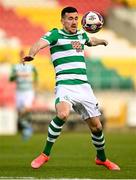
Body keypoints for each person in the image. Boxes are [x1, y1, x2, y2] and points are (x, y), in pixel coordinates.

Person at [22, 7, 120, 170]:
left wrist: (102, 41)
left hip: (83, 87)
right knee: (63, 114)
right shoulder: (55, 34)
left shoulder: (81, 34)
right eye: (70, 18)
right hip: (65, 85)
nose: (74, 21)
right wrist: (32, 54)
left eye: (76, 18)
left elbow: (90, 41)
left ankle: (101, 158)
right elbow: (39, 44)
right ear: (62, 20)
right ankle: (45, 154)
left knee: (97, 127)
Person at [9, 50, 38, 140]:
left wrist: (35, 84)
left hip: (28, 91)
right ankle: (27, 127)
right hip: (19, 92)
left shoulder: (31, 67)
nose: (22, 57)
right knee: (19, 112)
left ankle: (27, 128)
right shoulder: (15, 67)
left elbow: (36, 75)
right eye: (21, 55)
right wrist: (15, 75)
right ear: (19, 56)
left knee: (26, 109)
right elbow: (10, 79)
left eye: (23, 55)